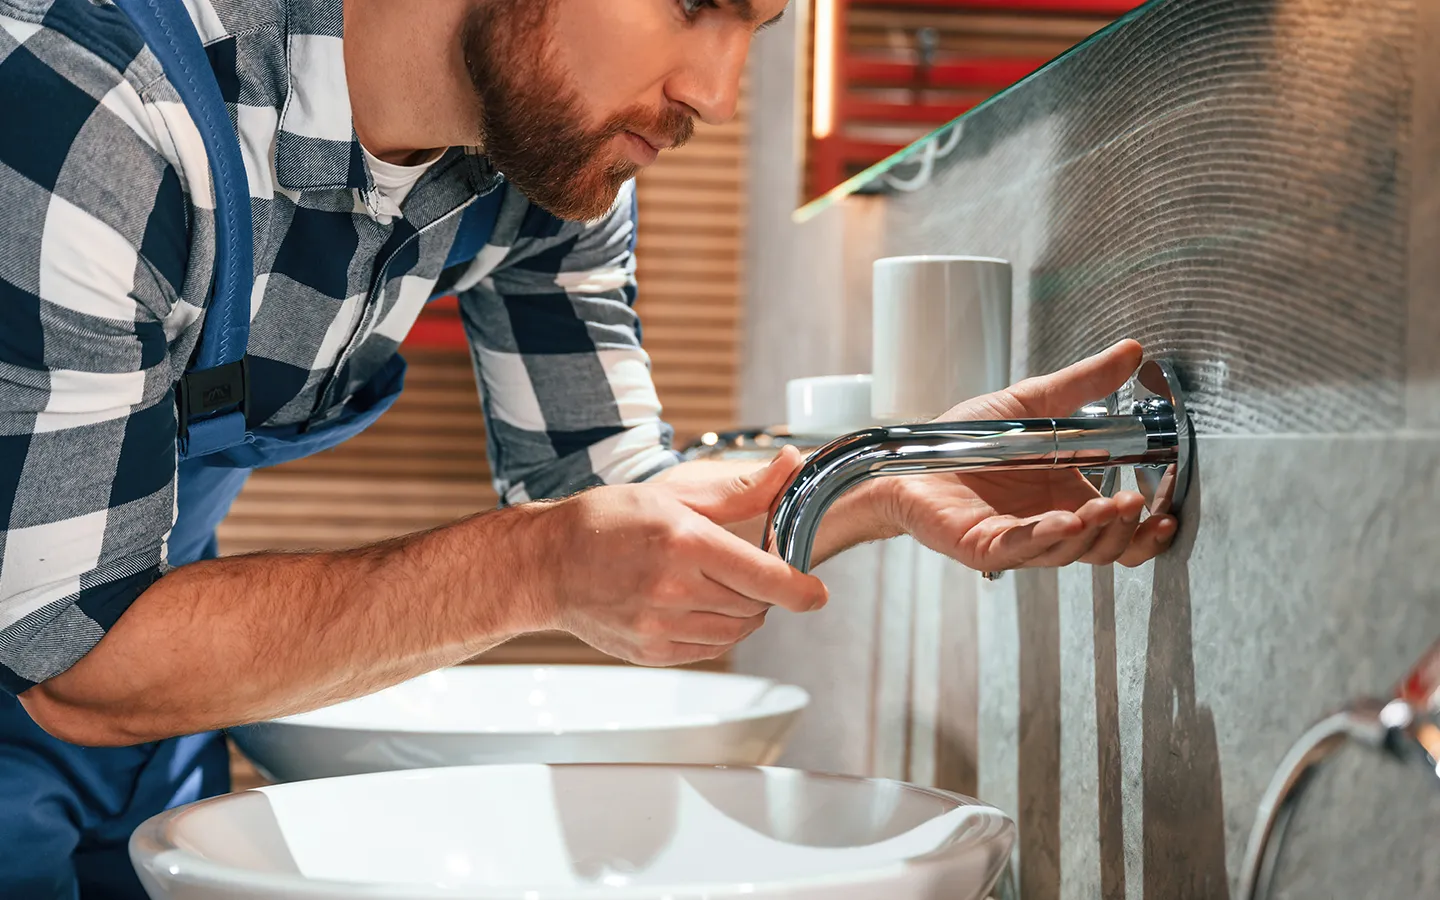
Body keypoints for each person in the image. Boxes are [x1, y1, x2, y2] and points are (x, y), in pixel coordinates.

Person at [0, 0, 1177, 895]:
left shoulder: (540, 174)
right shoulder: (100, 104)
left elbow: (619, 505)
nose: (717, 90)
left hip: (156, 726)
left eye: (758, 25)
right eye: (692, 1)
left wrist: (876, 477)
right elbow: (81, 661)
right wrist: (533, 565)